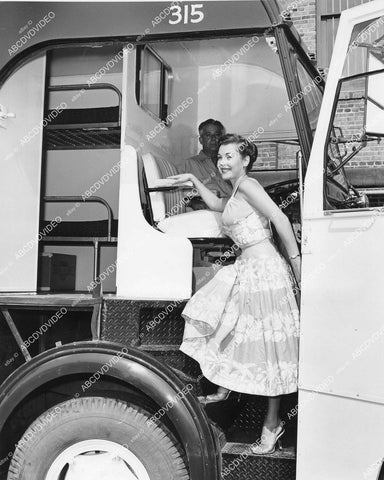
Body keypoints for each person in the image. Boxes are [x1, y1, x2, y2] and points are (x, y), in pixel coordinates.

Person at [169, 134, 300, 455]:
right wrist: (192, 179)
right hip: (249, 270)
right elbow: (217, 205)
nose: (223, 162)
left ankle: (271, 424)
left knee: (270, 349)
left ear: (246, 161)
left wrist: (298, 267)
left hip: (266, 273)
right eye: (220, 157)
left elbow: (281, 218)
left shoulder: (250, 185)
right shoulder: (236, 191)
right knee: (232, 327)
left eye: (230, 156)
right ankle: (224, 387)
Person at [178, 119, 232, 208]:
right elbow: (177, 193)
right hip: (212, 210)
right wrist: (192, 202)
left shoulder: (230, 164)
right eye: (208, 135)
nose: (213, 139)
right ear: (201, 140)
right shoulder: (189, 164)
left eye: (217, 135)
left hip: (235, 206)